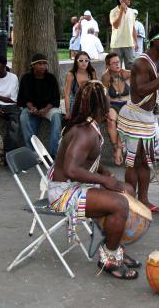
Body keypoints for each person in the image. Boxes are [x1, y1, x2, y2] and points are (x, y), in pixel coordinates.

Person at [47, 80, 139, 280]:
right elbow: (71, 169)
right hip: (63, 193)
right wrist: (104, 181)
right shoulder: (85, 131)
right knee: (120, 204)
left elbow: (87, 160)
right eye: (107, 99)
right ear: (102, 105)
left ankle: (115, 246)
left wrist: (104, 172)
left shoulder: (90, 126)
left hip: (76, 185)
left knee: (128, 190)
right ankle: (109, 259)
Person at [117, 25, 159, 212]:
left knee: (146, 161)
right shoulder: (141, 63)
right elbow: (141, 90)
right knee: (134, 161)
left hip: (146, 117)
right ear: (155, 41)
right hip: (134, 117)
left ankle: (143, 201)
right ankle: (129, 201)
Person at [18, 53, 62, 159]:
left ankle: (53, 153)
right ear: (32, 65)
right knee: (23, 116)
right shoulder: (26, 78)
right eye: (39, 64)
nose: (42, 66)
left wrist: (46, 110)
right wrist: (32, 108)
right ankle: (33, 152)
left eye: (44, 64)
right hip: (31, 108)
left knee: (57, 116)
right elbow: (24, 97)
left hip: (48, 108)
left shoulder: (51, 78)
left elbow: (55, 98)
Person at [101, 52, 131, 165]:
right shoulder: (106, 76)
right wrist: (105, 110)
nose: (117, 65)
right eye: (113, 63)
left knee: (122, 122)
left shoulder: (127, 73)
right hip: (113, 104)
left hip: (126, 104)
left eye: (118, 62)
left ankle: (118, 150)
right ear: (108, 65)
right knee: (111, 121)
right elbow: (106, 95)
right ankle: (116, 148)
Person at [64, 51, 97, 121]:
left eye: (86, 60)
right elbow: (67, 95)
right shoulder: (71, 74)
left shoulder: (92, 73)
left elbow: (95, 91)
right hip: (75, 102)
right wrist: (67, 111)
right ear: (76, 62)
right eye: (81, 60)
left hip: (89, 102)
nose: (84, 62)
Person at [109, 0, 138, 70]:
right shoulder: (113, 12)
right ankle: (116, 83)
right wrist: (121, 11)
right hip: (116, 44)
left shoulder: (131, 12)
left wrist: (135, 41)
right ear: (120, 0)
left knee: (131, 67)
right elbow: (115, 25)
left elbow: (133, 28)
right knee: (115, 67)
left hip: (129, 43)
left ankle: (130, 83)